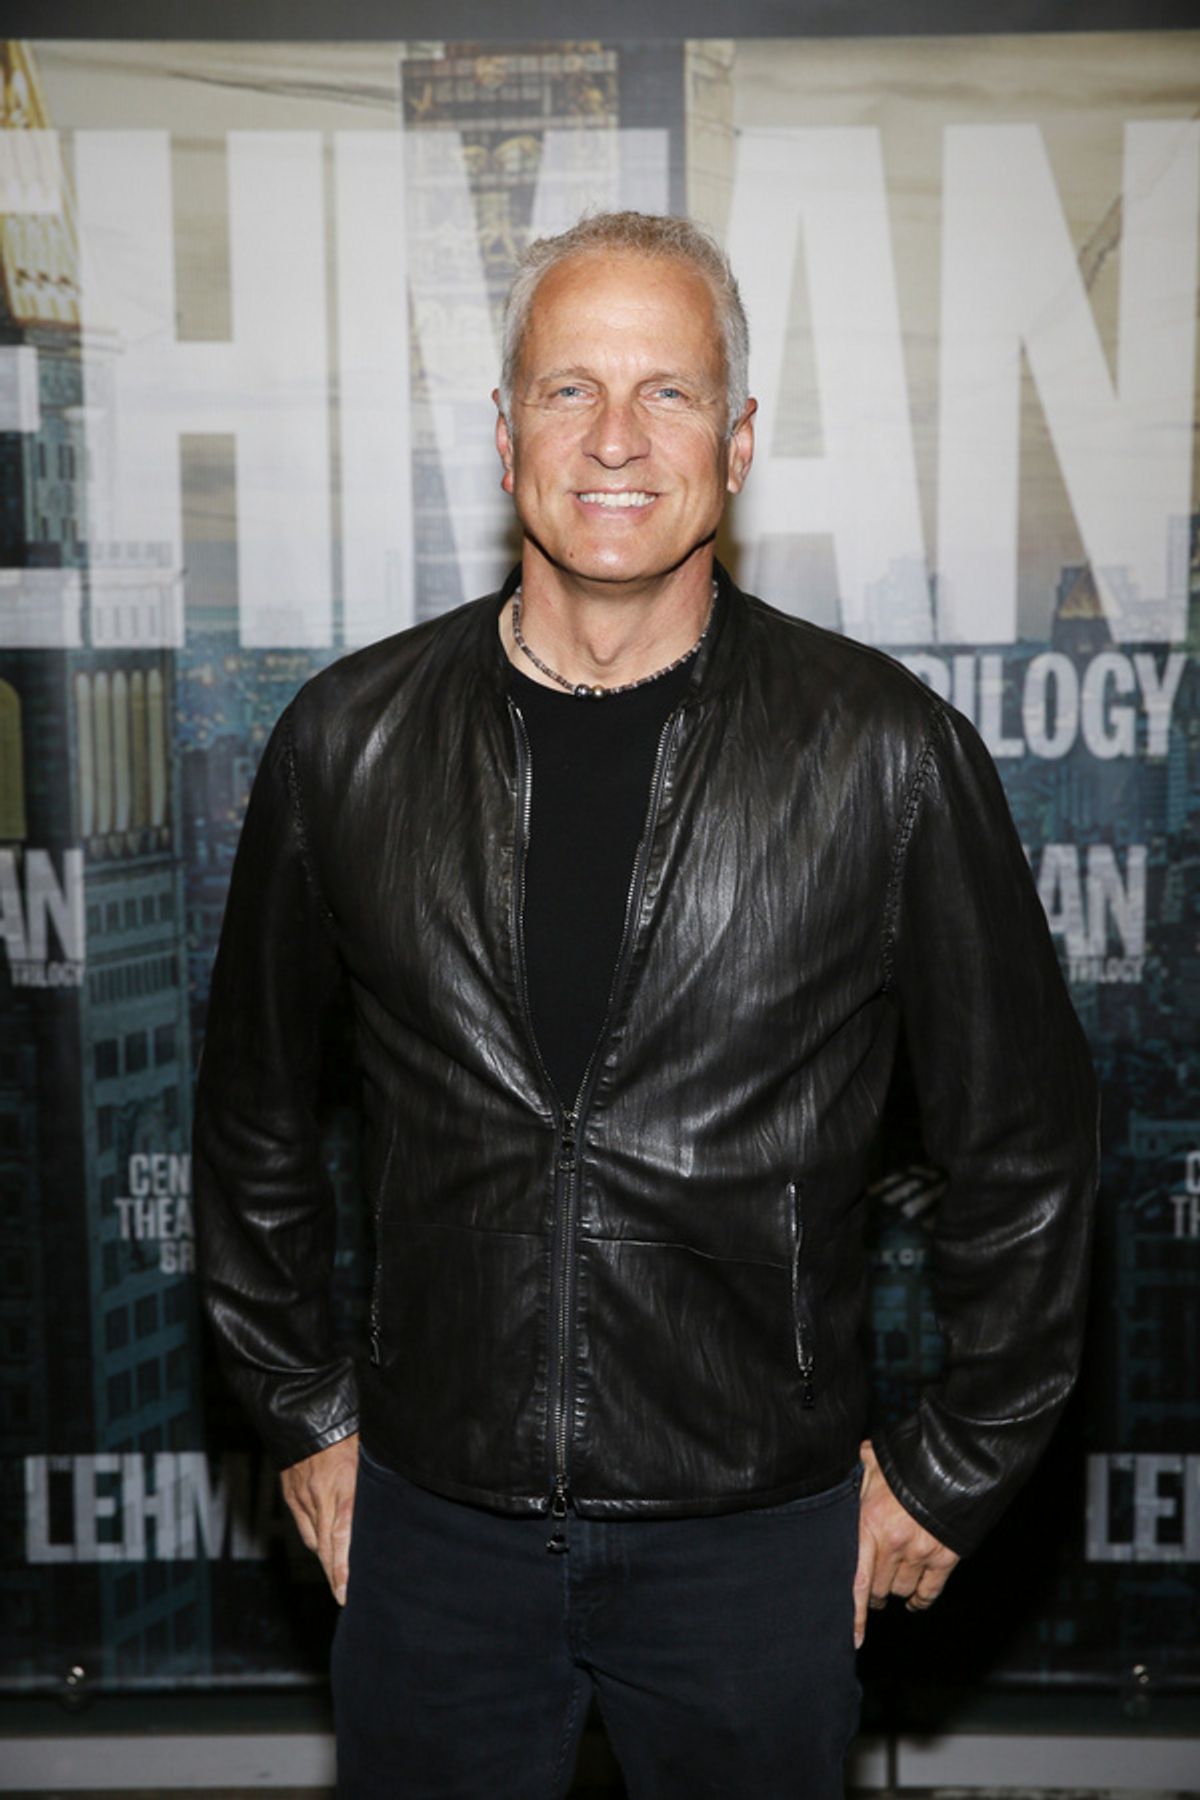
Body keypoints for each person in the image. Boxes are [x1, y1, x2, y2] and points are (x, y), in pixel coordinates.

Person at [195, 211, 1098, 1798]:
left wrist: (955, 1469)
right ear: (505, 439)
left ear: (736, 444)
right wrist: (307, 1416)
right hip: (434, 1533)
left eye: (667, 393)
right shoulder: (346, 742)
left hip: (759, 1541)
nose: (615, 438)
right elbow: (252, 1121)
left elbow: (1027, 1150)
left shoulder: (886, 754)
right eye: (570, 391)